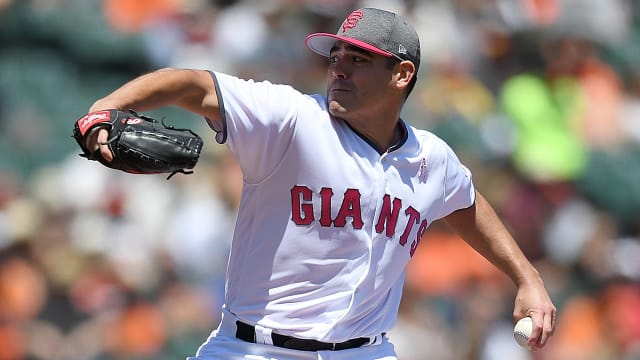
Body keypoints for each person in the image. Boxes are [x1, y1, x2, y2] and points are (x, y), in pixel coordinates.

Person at [84, 7, 556, 360]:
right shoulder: (292, 119)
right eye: (337, 55)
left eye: (359, 58)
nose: (339, 67)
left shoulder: (432, 159)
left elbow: (466, 205)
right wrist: (107, 106)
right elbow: (193, 84)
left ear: (402, 74)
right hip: (255, 349)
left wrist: (526, 277)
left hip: (363, 351)